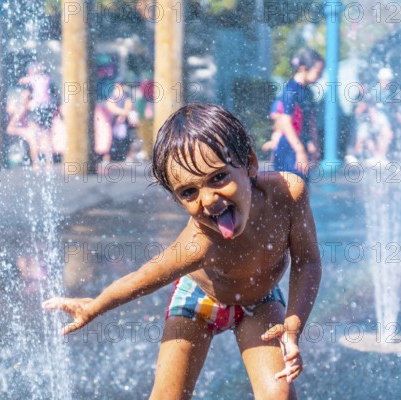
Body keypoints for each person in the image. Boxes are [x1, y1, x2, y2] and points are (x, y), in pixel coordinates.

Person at [43, 104, 322, 399]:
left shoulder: (289, 193)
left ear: (250, 163)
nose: (209, 200)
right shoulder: (197, 245)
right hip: (199, 301)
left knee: (280, 394)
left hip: (261, 299)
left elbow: (308, 261)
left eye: (218, 178)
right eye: (189, 192)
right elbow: (142, 279)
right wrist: (93, 306)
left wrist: (293, 322)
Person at [274, 49, 324, 180]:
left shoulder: (308, 92)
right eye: (318, 72)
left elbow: (310, 120)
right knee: (290, 191)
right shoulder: (291, 90)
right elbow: (285, 123)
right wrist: (299, 151)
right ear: (303, 68)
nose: (320, 76)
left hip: (301, 144)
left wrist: (314, 144)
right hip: (289, 147)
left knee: (302, 191)